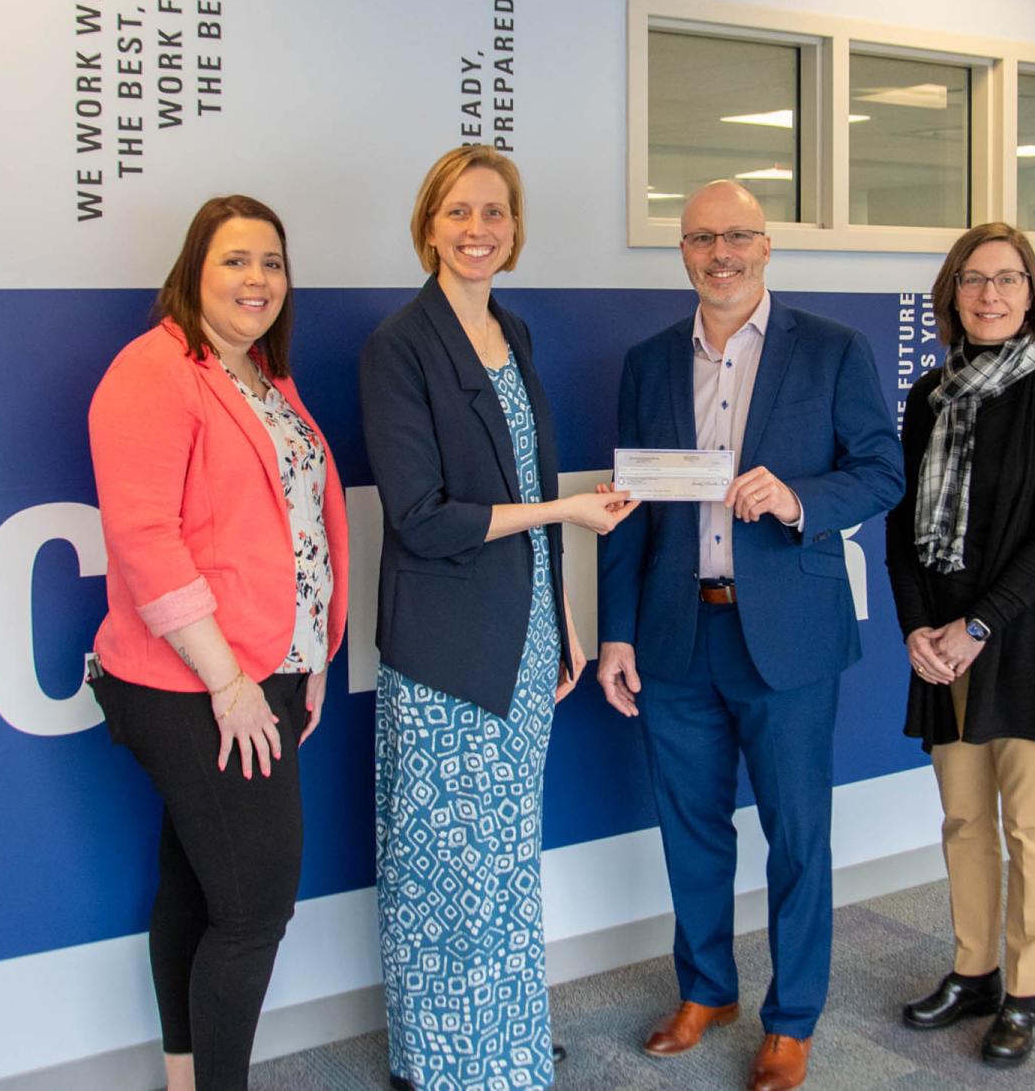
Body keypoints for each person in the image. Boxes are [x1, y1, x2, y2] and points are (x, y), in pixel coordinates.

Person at [597, 180, 904, 1091]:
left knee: (798, 832)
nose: (719, 252)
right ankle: (707, 989)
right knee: (691, 826)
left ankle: (793, 1016)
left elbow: (881, 471)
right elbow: (631, 510)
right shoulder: (648, 362)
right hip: (675, 632)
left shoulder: (834, 351)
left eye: (737, 236)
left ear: (767, 246)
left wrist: (803, 499)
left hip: (790, 639)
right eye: (700, 238)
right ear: (682, 251)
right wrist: (617, 636)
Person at [360, 145, 637, 1091]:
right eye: (459, 212)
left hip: (521, 637)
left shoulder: (514, 331)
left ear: (515, 229)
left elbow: (523, 486)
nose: (479, 229)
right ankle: (443, 1061)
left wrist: (563, 618)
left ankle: (503, 1034)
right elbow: (423, 519)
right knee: (446, 869)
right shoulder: (399, 345)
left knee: (506, 854)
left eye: (496, 212)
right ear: (428, 224)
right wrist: (565, 512)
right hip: (446, 649)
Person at [87, 195, 350, 1091]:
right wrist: (233, 684)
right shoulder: (154, 370)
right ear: (194, 268)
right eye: (235, 260)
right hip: (195, 683)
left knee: (199, 888)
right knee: (253, 910)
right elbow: (146, 540)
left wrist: (307, 659)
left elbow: (294, 531)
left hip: (267, 671)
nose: (257, 279)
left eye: (271, 261)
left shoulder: (262, 377)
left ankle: (183, 1077)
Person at [884, 222, 1035, 1067]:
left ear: (1032, 293)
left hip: (1026, 638)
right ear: (952, 293)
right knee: (964, 817)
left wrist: (978, 626)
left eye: (1008, 279)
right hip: (941, 645)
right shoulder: (927, 396)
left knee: (1034, 828)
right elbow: (901, 527)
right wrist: (918, 628)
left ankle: (1027, 989)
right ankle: (974, 970)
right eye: (974, 279)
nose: (990, 295)